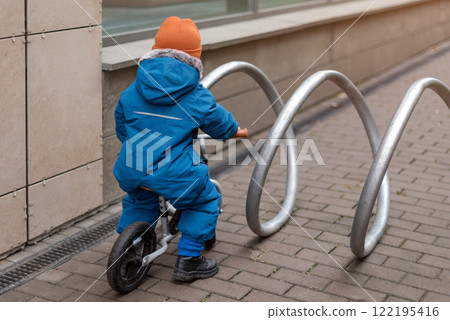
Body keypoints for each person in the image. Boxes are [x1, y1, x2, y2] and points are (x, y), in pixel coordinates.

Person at [113, 16, 239, 281]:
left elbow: (122, 128)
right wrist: (234, 131)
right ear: (195, 56)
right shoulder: (196, 94)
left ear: (155, 49)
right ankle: (190, 260)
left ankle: (130, 248)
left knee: (139, 200)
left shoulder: (133, 90)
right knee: (205, 200)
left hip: (132, 165)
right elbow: (219, 124)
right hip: (175, 173)